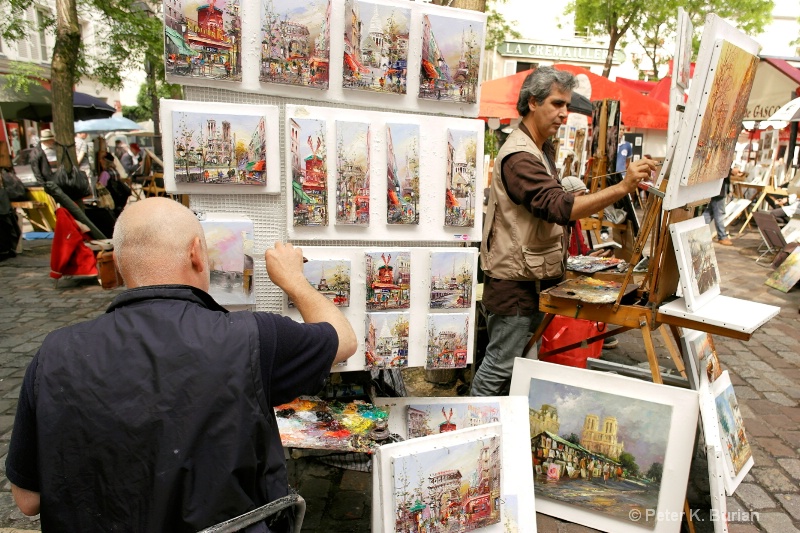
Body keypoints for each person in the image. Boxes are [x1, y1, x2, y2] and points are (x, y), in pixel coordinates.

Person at [5, 197, 358, 531]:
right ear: (196, 254)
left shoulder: (54, 352)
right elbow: (344, 339)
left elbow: (27, 500)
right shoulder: (253, 337)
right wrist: (294, 279)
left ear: (120, 261)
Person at [473, 67, 655, 397]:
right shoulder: (520, 156)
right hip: (514, 285)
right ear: (532, 103)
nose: (563, 113)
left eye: (567, 106)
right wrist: (624, 186)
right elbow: (560, 208)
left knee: (514, 366)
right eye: (557, 104)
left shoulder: (541, 148)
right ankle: (471, 436)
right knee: (499, 367)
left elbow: (552, 209)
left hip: (530, 279)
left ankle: (496, 432)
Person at [703, 166, 738, 246]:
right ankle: (722, 236)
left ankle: (697, 231)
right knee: (719, 213)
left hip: (717, 187)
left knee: (709, 213)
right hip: (719, 187)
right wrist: (731, 171)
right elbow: (722, 168)